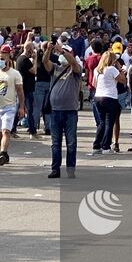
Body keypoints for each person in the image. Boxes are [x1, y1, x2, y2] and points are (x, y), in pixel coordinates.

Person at [44, 41, 83, 179]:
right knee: (56, 143)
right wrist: (48, 50)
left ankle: (70, 168)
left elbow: (72, 62)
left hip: (70, 111)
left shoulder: (75, 69)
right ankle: (55, 169)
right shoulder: (55, 68)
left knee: (71, 142)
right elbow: (45, 62)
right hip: (55, 111)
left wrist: (61, 50)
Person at [89, 50, 124, 156]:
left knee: (102, 122)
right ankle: (106, 146)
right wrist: (121, 70)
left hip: (98, 97)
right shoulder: (112, 69)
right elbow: (123, 80)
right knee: (109, 122)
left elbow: (94, 84)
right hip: (110, 97)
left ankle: (96, 145)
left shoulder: (97, 70)